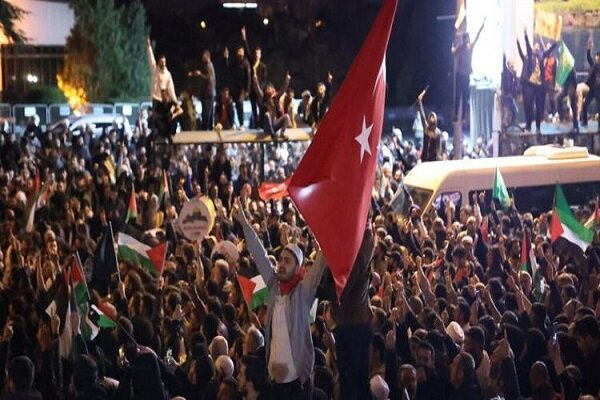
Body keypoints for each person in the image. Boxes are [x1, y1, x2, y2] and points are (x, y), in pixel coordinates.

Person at [233, 199, 326, 399]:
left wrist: (324, 242)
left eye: (287, 261)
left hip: (297, 385)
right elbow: (259, 254)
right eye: (281, 260)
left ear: (298, 267)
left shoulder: (304, 291)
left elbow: (320, 265)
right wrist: (243, 222)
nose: (281, 264)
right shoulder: (274, 286)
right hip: (275, 382)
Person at [517, 29, 557, 133]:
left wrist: (556, 43)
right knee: (528, 106)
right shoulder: (529, 57)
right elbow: (527, 48)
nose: (537, 48)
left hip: (540, 85)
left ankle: (538, 127)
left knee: (540, 107)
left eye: (538, 48)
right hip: (530, 84)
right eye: (535, 47)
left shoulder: (541, 55)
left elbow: (548, 51)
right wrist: (525, 35)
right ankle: (528, 125)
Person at [451, 19, 485, 122]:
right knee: (459, 96)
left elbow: (478, 36)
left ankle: (463, 116)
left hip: (465, 75)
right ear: (465, 40)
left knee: (465, 95)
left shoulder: (470, 47)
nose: (468, 41)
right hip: (460, 75)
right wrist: (454, 42)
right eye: (467, 39)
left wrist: (482, 25)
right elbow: (453, 51)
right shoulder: (461, 48)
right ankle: (457, 115)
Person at [146, 37, 179, 138]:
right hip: (156, 98)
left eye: (164, 62)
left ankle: (167, 133)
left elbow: (171, 88)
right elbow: (151, 60)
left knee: (166, 117)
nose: (163, 64)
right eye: (161, 62)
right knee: (156, 117)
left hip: (164, 100)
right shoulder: (155, 71)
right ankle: (158, 132)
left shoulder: (167, 74)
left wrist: (175, 101)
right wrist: (149, 47)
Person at [242, 26, 267, 129]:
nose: (256, 55)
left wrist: (260, 88)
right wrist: (244, 38)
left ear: (260, 55)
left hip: (259, 91)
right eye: (255, 53)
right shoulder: (252, 64)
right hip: (252, 91)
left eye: (258, 53)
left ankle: (261, 126)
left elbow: (264, 80)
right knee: (253, 109)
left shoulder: (263, 66)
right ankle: (256, 126)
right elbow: (247, 52)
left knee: (261, 109)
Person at [189, 50, 216, 130]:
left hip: (208, 93)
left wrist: (200, 74)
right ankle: (209, 128)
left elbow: (209, 78)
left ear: (208, 57)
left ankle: (205, 129)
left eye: (204, 58)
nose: (202, 59)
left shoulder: (209, 66)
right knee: (209, 113)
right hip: (208, 93)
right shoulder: (208, 66)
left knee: (206, 113)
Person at [227, 44, 251, 129]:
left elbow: (248, 78)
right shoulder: (234, 62)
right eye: (238, 51)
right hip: (234, 88)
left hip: (242, 89)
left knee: (239, 104)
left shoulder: (246, 63)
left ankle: (241, 124)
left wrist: (247, 90)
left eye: (241, 51)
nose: (239, 53)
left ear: (243, 52)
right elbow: (229, 72)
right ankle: (232, 123)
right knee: (230, 104)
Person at [417, 89, 441, 162]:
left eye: (433, 117)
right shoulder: (426, 128)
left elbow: (438, 148)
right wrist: (419, 101)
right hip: (424, 158)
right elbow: (422, 114)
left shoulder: (438, 132)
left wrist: (438, 158)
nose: (431, 118)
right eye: (430, 117)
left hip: (433, 159)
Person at [582, 38, 600, 131]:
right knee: (584, 105)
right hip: (592, 89)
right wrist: (589, 48)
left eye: (598, 56)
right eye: (597, 56)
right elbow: (589, 57)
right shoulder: (595, 64)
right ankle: (584, 122)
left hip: (599, 90)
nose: (597, 57)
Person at [501, 54, 519, 130]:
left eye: (513, 63)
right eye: (511, 63)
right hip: (506, 96)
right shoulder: (506, 72)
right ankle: (504, 129)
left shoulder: (514, 73)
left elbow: (516, 84)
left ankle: (511, 125)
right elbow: (503, 65)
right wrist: (504, 57)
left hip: (512, 97)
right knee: (506, 114)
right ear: (508, 64)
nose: (512, 65)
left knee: (515, 112)